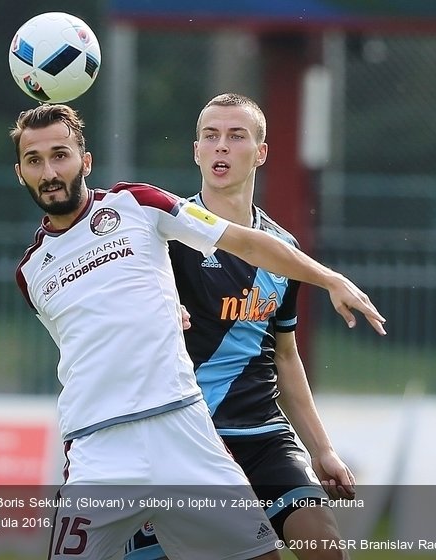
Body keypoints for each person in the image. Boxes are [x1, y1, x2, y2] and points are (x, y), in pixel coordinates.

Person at [11, 103, 384, 560]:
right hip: (99, 446)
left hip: (190, 430)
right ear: (20, 173)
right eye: (35, 160)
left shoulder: (141, 206)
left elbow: (249, 258)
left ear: (85, 161)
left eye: (60, 155)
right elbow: (97, 330)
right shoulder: (31, 272)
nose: (49, 171)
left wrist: (329, 278)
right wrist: (167, 312)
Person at [126, 93, 358, 560]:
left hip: (263, 434)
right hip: (190, 436)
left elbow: (285, 356)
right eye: (210, 137)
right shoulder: (165, 238)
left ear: (261, 152)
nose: (222, 148)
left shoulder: (282, 249)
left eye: (236, 137)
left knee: (328, 551)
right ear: (196, 151)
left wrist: (322, 450)